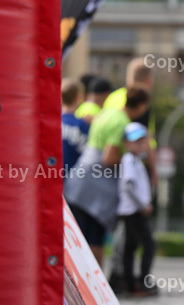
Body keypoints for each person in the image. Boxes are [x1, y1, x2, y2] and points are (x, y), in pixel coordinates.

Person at [65, 86, 151, 267]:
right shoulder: (121, 122)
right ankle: (95, 285)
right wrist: (131, 163)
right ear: (142, 106)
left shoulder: (107, 113)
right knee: (95, 237)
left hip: (80, 180)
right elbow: (109, 157)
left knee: (79, 238)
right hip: (95, 186)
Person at [117, 122, 157, 297]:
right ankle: (143, 282)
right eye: (136, 141)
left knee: (130, 247)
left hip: (132, 210)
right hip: (134, 211)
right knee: (148, 245)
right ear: (126, 142)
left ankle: (129, 282)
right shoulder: (129, 160)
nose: (140, 145)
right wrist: (143, 205)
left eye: (143, 141)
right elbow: (129, 185)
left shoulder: (135, 160)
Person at [61, 78, 90, 178]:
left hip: (51, 176)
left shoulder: (53, 122)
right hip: (74, 177)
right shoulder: (81, 124)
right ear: (78, 97)